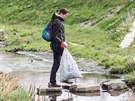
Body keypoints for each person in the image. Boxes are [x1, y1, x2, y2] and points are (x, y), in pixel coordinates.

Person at [48, 8, 69, 88]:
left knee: (57, 63)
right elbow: (53, 36)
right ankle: (54, 81)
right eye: (66, 15)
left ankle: (53, 81)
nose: (66, 17)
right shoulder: (57, 22)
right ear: (61, 13)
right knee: (59, 62)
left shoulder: (56, 20)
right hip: (57, 45)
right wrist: (61, 42)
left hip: (56, 45)